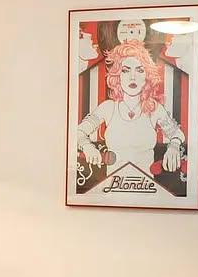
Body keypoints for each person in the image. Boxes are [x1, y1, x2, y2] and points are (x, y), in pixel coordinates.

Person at [76, 37, 185, 176]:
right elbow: (78, 132)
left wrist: (174, 146)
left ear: (147, 76)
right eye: (126, 70)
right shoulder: (108, 108)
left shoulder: (154, 108)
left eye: (139, 70)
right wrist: (87, 147)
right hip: (111, 189)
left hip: (147, 187)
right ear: (117, 75)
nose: (132, 77)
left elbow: (177, 134)